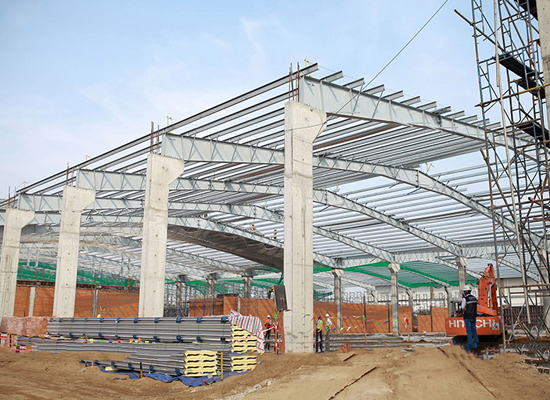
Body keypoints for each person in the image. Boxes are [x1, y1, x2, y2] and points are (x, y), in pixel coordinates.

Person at [461, 284, 479, 352]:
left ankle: (471, 345)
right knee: (474, 330)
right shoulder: (474, 298)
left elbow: (462, 307)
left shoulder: (465, 299)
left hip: (467, 317)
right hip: (473, 316)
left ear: (466, 292)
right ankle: (477, 343)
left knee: (469, 332)